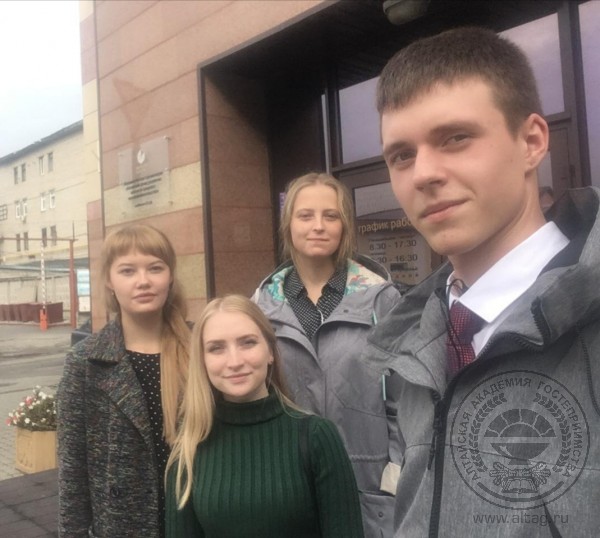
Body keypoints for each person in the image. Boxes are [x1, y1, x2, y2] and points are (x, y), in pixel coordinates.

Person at [366, 25, 600, 537]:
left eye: (455, 138)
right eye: (402, 155)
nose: (423, 173)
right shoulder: (418, 340)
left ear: (532, 142)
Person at [253, 172, 402, 537]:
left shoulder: (382, 300)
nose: (318, 226)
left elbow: (405, 396)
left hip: (367, 483)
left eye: (330, 216)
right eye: (305, 215)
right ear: (288, 225)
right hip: (287, 478)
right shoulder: (260, 307)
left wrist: (398, 468)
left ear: (344, 225)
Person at [165, 294, 364, 537]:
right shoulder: (189, 446)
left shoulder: (316, 436)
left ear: (270, 351)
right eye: (216, 348)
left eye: (247, 343)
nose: (234, 361)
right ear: (202, 360)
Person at [57, 224, 190, 538]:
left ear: (170, 275)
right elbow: (73, 466)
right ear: (109, 280)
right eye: (128, 271)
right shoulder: (86, 361)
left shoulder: (199, 346)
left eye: (155, 268)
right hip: (123, 525)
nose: (143, 281)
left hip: (196, 517)